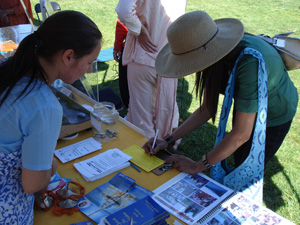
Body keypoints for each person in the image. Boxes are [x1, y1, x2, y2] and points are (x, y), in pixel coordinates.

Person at [143, 11, 298, 194]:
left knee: (245, 169)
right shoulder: (213, 55)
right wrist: (168, 139)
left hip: (275, 113)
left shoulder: (249, 64)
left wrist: (196, 166)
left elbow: (241, 134)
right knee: (236, 154)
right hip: (251, 105)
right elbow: (207, 109)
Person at [0, 10, 102, 224]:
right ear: (68, 56)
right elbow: (33, 184)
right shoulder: (43, 105)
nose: (89, 69)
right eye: (89, 61)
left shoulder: (8, 69)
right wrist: (51, 167)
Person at [115, 0, 187, 139]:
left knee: (143, 119)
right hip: (168, 56)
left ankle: (152, 152)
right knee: (165, 111)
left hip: (146, 55)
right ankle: (162, 148)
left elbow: (124, 10)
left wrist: (139, 30)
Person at [113, 19, 130, 110]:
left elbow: (122, 22)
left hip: (131, 49)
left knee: (126, 81)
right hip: (157, 49)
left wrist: (117, 47)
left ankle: (129, 108)